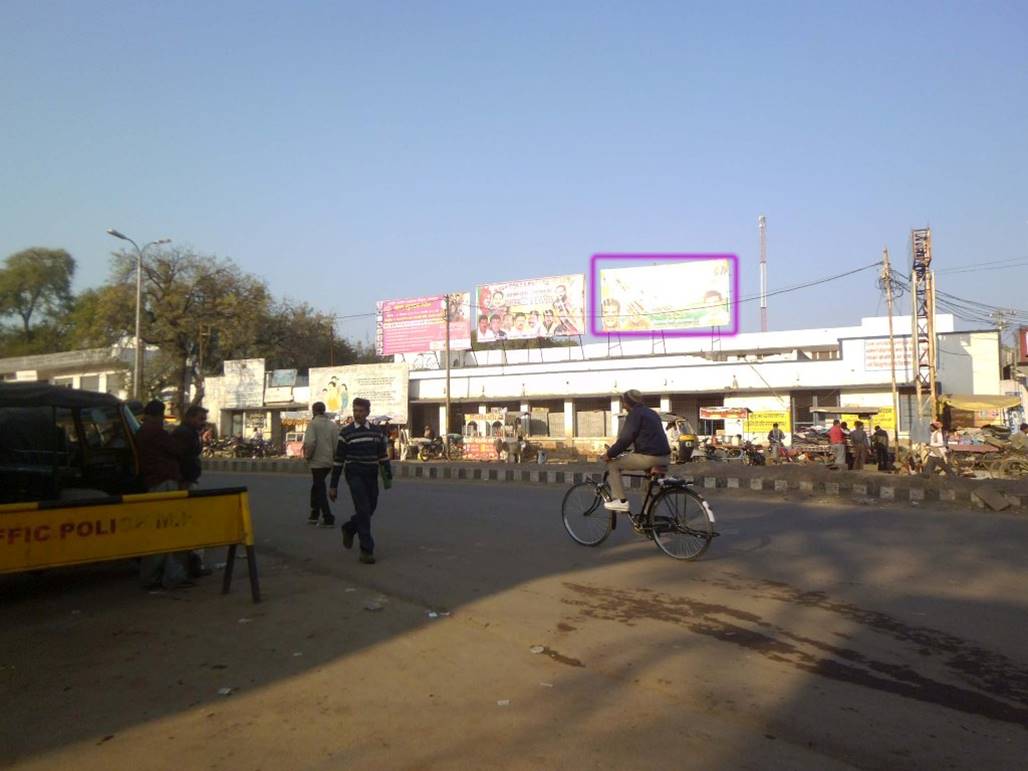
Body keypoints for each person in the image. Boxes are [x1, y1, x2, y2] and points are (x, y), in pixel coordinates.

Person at [329, 398, 392, 564]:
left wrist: (387, 474)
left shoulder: (377, 432)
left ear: (368, 413)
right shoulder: (346, 432)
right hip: (354, 475)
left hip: (371, 475)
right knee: (363, 509)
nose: (358, 414)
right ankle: (366, 550)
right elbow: (339, 460)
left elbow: (382, 455)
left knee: (371, 508)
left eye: (361, 411)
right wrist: (333, 485)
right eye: (355, 410)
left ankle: (350, 528)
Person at [136, 400, 191, 589]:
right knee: (167, 531)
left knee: (161, 531)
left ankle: (158, 576)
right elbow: (177, 449)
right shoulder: (155, 432)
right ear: (158, 415)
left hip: (154, 481)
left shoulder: (142, 431)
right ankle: (164, 577)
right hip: (163, 482)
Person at [602, 390, 671, 512]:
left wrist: (609, 454)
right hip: (665, 457)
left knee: (613, 464)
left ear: (628, 403)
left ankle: (621, 501)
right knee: (646, 487)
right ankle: (649, 519)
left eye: (624, 402)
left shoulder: (635, 414)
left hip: (650, 457)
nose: (623, 405)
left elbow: (625, 439)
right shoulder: (652, 413)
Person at [302, 402, 339, 527]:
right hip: (328, 462)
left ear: (314, 411)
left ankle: (328, 517)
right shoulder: (333, 425)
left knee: (320, 488)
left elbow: (310, 442)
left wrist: (307, 456)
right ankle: (314, 513)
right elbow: (336, 445)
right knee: (317, 486)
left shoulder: (312, 424)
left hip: (317, 462)